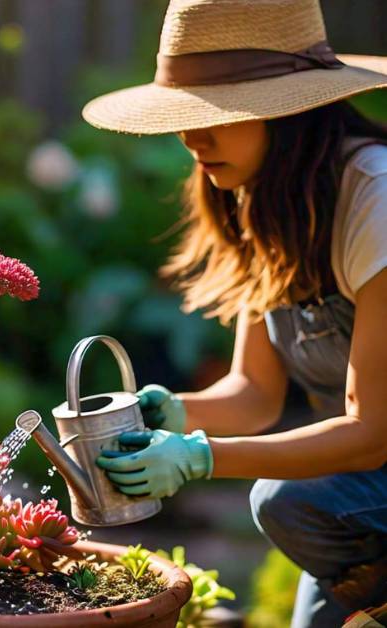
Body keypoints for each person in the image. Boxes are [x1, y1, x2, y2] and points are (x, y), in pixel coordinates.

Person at [83, 1, 387, 626]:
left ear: (291, 107)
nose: (193, 136)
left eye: (216, 111)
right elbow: (254, 395)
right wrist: (170, 412)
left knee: (287, 501)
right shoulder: (265, 197)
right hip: (365, 493)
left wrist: (200, 456)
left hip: (364, 476)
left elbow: (371, 431)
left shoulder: (374, 198)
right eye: (186, 113)